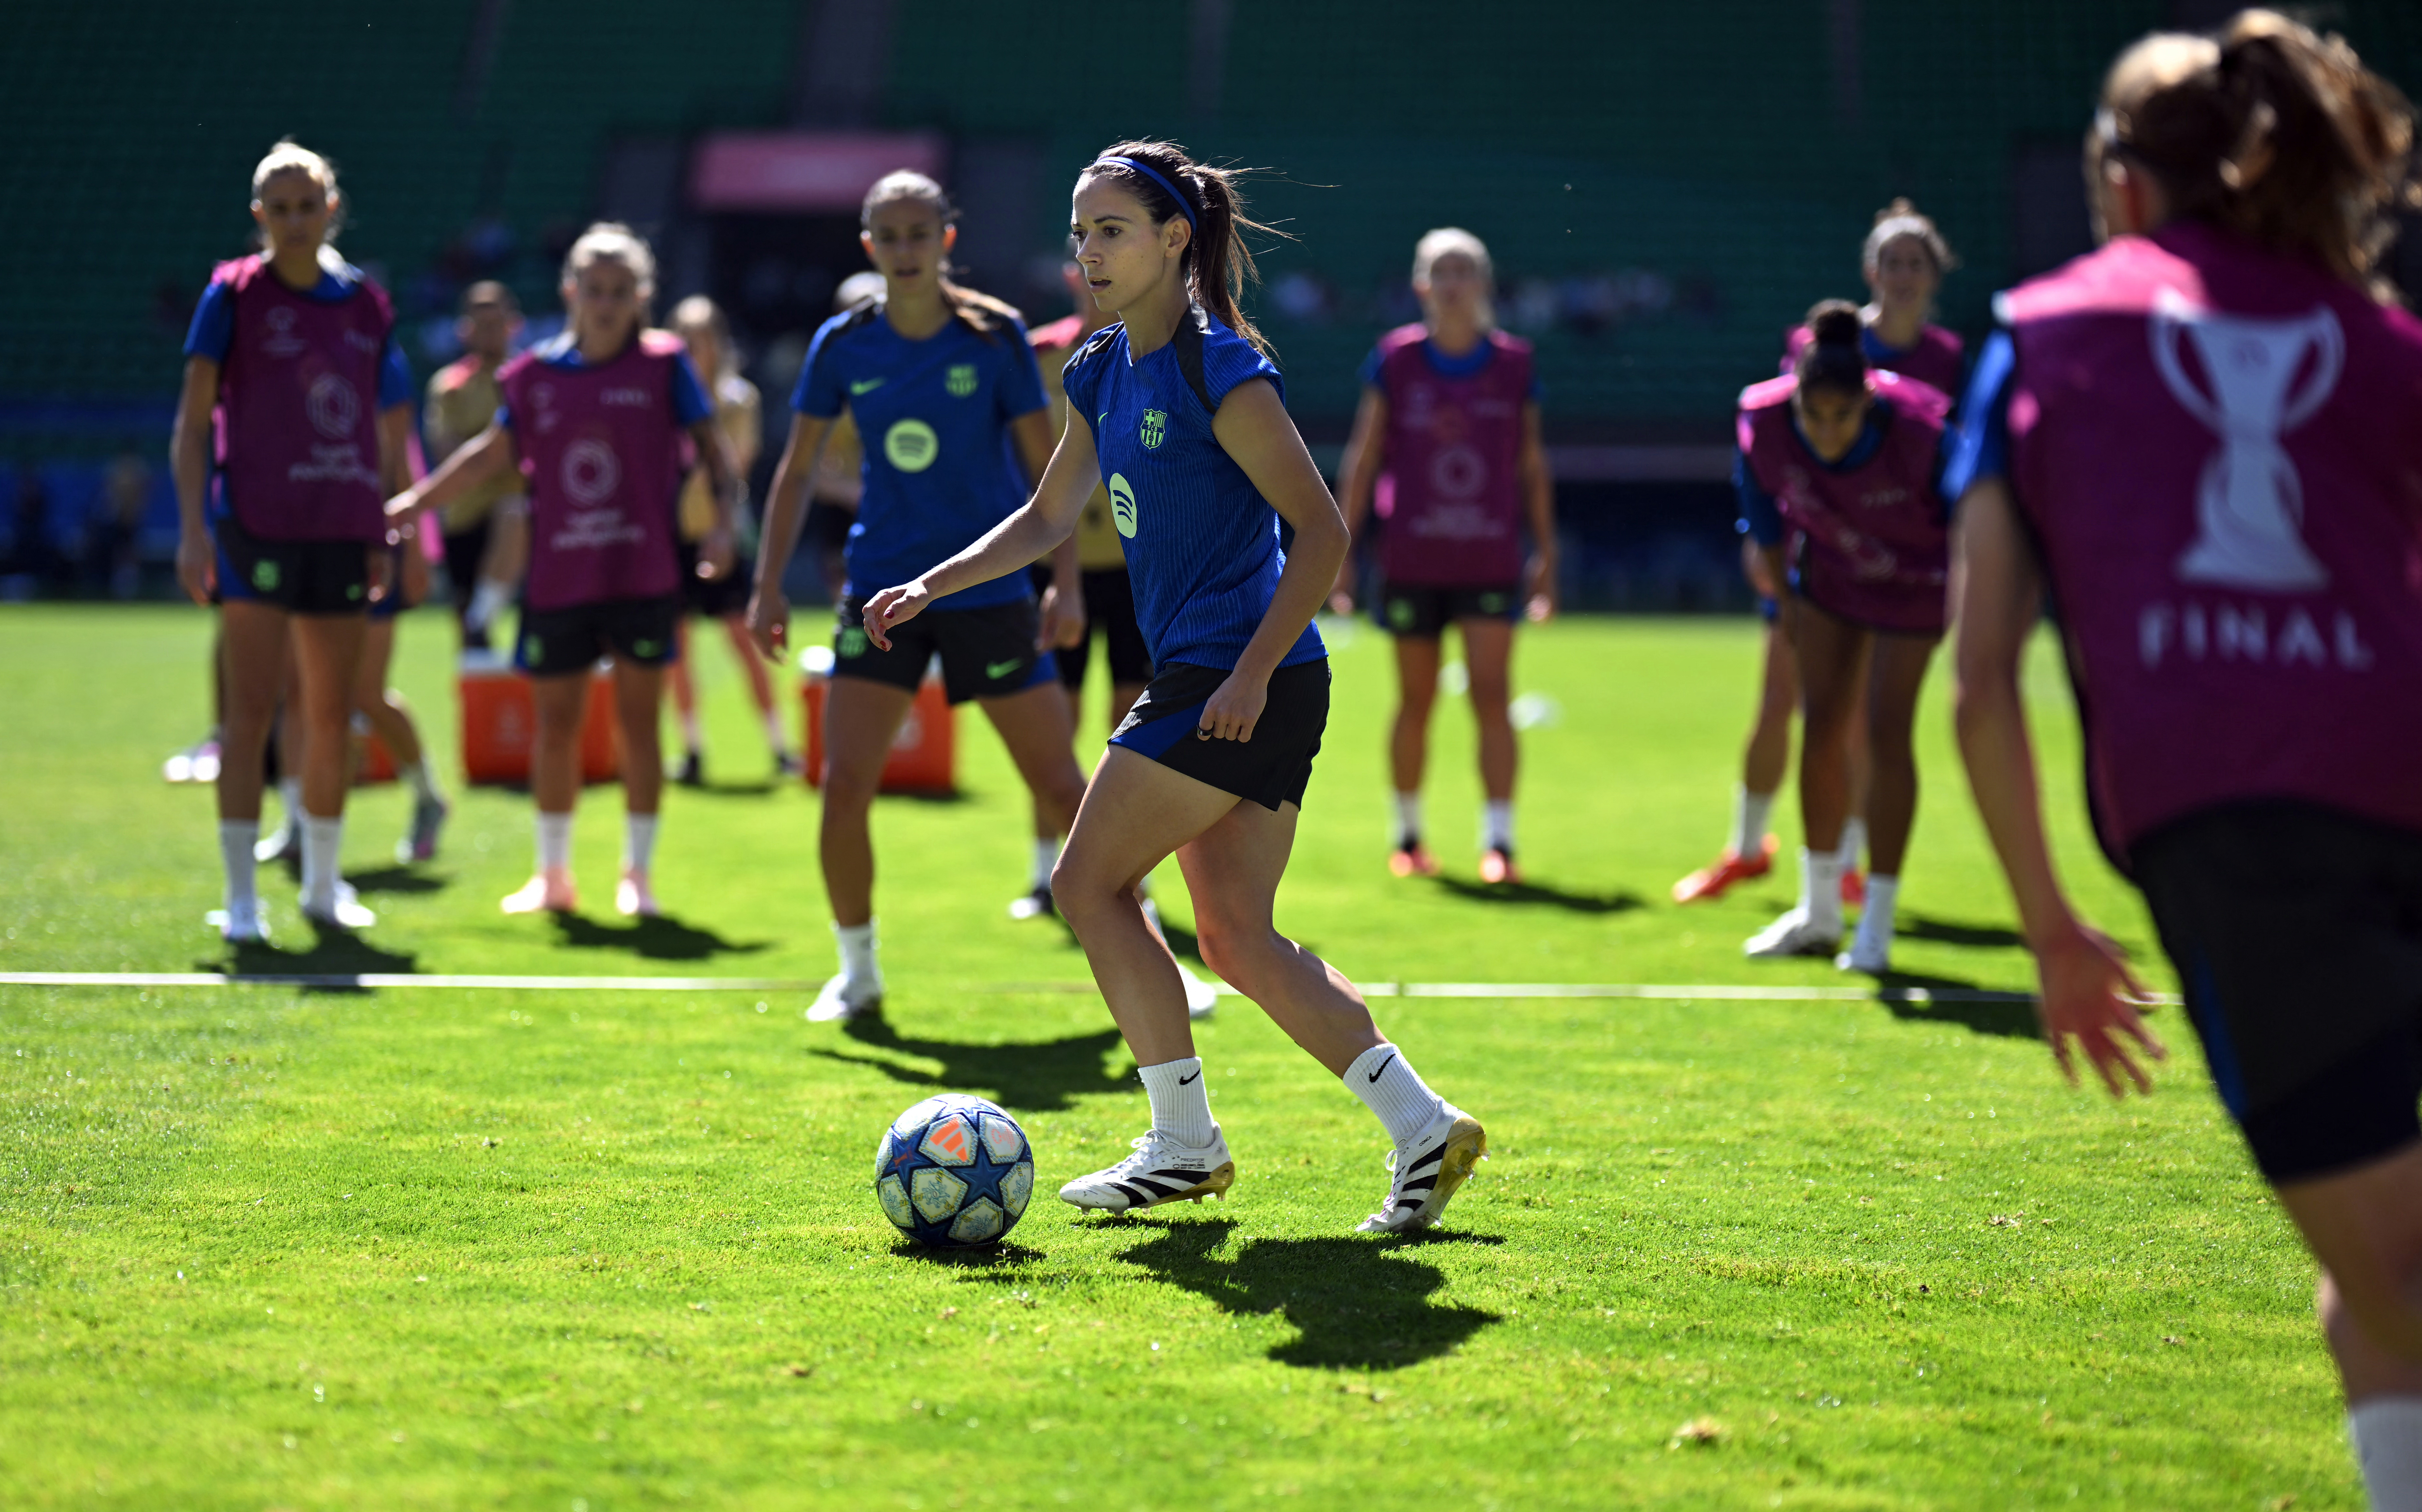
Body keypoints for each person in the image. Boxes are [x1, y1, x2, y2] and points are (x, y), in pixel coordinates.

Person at [1946, 14, 2422, 1505]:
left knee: (2382, 1265)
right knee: (2380, 1279)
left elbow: (1979, 682)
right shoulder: (2377, 333)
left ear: (2122, 179)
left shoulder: (2042, 330)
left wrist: (2050, 926)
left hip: (2244, 838)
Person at [863, 141, 1488, 1233]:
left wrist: (1246, 672)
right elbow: (1052, 516)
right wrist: (934, 581)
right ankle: (1424, 1123)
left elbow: (1326, 533)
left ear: (1171, 240)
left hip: (1236, 678)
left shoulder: (1222, 368)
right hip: (1238, 680)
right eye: (1078, 232)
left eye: (1111, 230)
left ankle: (1184, 1141)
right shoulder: (1101, 367)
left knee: (1086, 883)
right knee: (1238, 940)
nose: (1088, 253)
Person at [747, 171, 1089, 1024]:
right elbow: (794, 471)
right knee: (845, 784)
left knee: (1059, 781)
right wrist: (765, 587)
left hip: (992, 589)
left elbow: (1050, 479)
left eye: (918, 233)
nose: (904, 250)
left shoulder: (995, 335)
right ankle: (856, 970)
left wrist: (1066, 583)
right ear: (869, 246)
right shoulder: (841, 343)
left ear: (946, 239)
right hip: (879, 596)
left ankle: (1152, 947)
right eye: (887, 237)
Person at [392, 224, 737, 917]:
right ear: (570, 291)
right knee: (557, 726)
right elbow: (490, 455)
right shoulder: (533, 377)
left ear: (640, 296)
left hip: (642, 575)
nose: (606, 303)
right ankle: (552, 876)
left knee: (639, 728)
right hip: (559, 581)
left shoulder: (665, 366)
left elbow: (714, 452)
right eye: (593, 289)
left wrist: (726, 525)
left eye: (620, 291)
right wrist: (412, 504)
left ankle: (637, 877)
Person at [1676, 202, 1962, 905]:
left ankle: (1852, 866)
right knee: (1783, 700)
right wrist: (1764, 544)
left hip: (1896, 564)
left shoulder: (1942, 364)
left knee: (1866, 719)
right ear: (1870, 270)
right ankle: (1747, 849)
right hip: (1819, 561)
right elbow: (1777, 454)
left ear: (1934, 276)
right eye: (1890, 261)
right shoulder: (1822, 346)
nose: (1901, 274)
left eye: (1914, 263)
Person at [171, 141, 415, 939]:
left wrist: (382, 525)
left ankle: (320, 885)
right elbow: (192, 423)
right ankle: (242, 900)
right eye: (278, 209)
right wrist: (193, 533)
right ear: (258, 218)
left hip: (342, 533)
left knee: (332, 712)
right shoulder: (231, 296)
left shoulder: (366, 306)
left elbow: (385, 437)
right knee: (249, 717)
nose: (294, 221)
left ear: (331, 209)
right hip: (255, 528)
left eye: (307, 206)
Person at [1026, 260, 1220, 1018]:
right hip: (1064, 566)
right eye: (1083, 248)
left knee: (1127, 728)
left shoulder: (1185, 357)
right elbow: (1040, 485)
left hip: (1141, 580)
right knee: (1057, 723)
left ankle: (1125, 874)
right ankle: (1045, 868)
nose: (1092, 267)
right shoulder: (1053, 357)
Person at [1737, 301, 1954, 973]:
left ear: (1867, 403)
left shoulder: (1925, 431)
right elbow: (1766, 524)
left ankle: (1878, 926)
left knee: (1887, 731)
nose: (1826, 433)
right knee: (1823, 725)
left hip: (1919, 576)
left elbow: (1973, 519)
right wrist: (1789, 608)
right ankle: (1820, 912)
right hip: (1830, 576)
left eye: (1843, 417)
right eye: (1814, 416)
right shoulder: (1764, 420)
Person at [1333, 228, 1554, 883]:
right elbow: (1364, 458)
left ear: (1484, 284)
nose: (1453, 283)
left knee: (1492, 695)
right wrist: (1341, 549)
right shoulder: (1395, 360)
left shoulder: (1515, 363)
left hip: (1488, 556)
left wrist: (1547, 552)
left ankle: (1501, 844)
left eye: (1465, 271)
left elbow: (1532, 463)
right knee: (1416, 699)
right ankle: (1407, 835)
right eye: (1441, 272)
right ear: (1421, 286)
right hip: (1411, 558)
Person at [663, 295, 794, 784]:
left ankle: (780, 745)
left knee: (745, 642)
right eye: (684, 338)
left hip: (722, 535)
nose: (692, 349)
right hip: (673, 536)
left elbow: (731, 466)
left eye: (700, 339)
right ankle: (692, 749)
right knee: (675, 651)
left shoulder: (737, 399)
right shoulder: (664, 399)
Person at [423, 281, 529, 656]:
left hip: (523, 518)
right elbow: (448, 453)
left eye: (496, 323)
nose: (489, 332)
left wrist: (488, 453)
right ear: (464, 329)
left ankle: (483, 616)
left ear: (513, 325)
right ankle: (477, 623)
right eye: (480, 323)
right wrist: (502, 451)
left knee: (515, 511)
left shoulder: (530, 379)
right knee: (471, 651)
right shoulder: (450, 386)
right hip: (464, 516)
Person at [801, 271, 887, 604]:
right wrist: (854, 493)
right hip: (846, 517)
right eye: (853, 313)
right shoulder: (827, 381)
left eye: (873, 311)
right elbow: (807, 467)